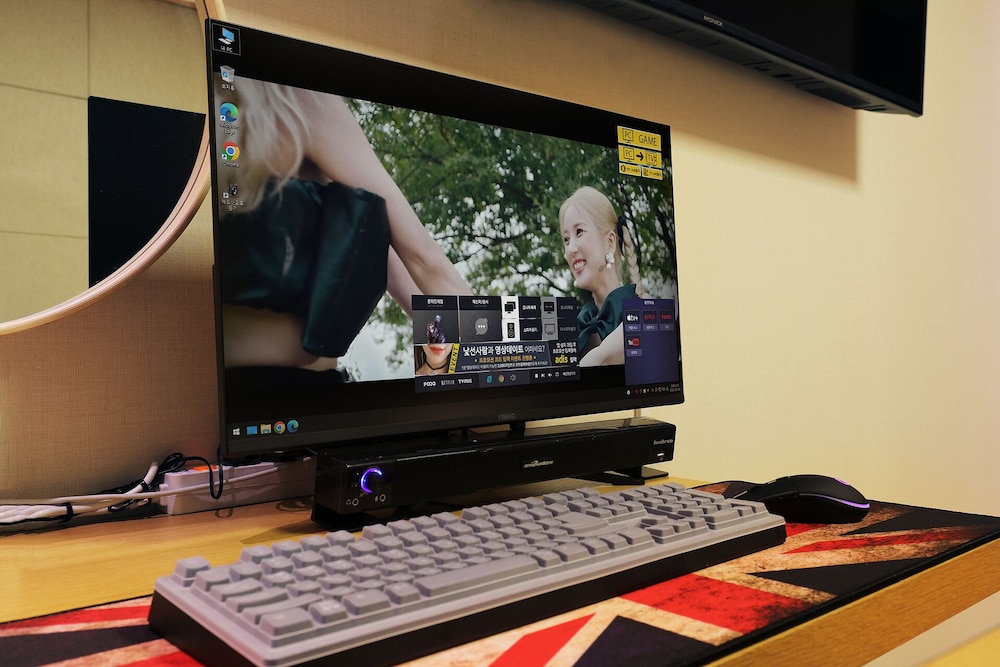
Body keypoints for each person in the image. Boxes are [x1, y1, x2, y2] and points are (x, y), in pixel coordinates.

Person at [220, 81, 471, 371]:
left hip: (299, 389)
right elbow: (425, 263)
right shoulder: (281, 105)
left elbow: (422, 265)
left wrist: (478, 367)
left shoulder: (298, 100)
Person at [559, 186, 647, 366]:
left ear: (610, 242)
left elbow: (600, 360)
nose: (570, 249)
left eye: (579, 232)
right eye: (566, 239)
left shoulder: (648, 313)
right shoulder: (576, 327)